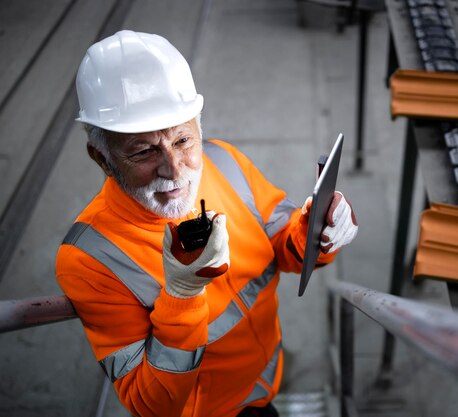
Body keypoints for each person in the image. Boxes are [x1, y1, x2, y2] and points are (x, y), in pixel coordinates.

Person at [56, 30, 358, 417]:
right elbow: (152, 406)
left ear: (199, 126)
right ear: (101, 157)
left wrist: (322, 228)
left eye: (183, 141)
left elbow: (286, 245)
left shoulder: (225, 163)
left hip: (265, 385)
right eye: (145, 151)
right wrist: (182, 296)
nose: (174, 169)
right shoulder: (91, 259)